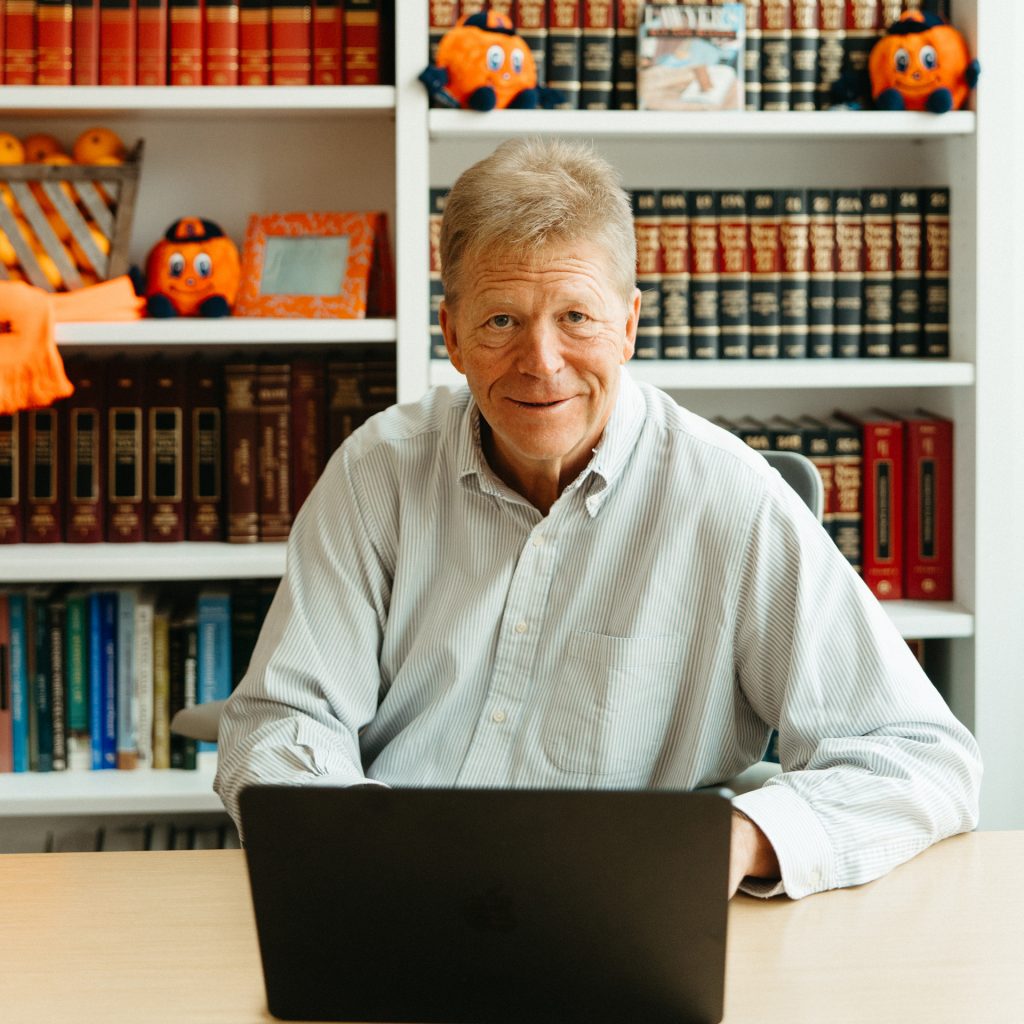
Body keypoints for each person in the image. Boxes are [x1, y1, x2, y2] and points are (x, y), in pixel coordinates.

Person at [214, 137, 981, 899]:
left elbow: (919, 754)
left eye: (576, 316)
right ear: (451, 336)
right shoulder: (377, 472)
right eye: (501, 322)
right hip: (392, 891)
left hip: (621, 909)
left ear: (629, 325)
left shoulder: (729, 497)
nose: (541, 362)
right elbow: (281, 722)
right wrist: (371, 849)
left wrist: (740, 839)